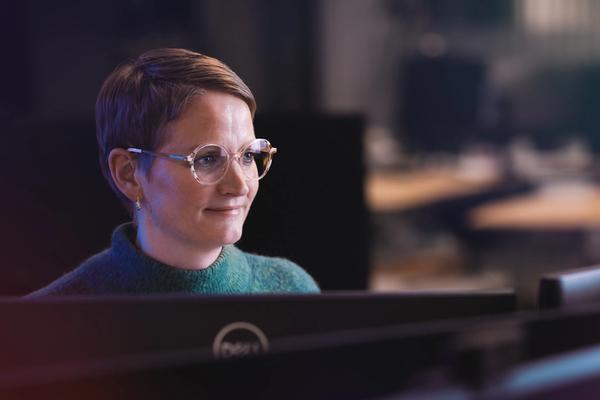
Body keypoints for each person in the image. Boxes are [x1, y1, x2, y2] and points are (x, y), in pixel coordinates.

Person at [28, 48, 319, 296]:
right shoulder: (46, 323)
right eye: (206, 158)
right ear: (129, 174)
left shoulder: (292, 289)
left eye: (247, 156)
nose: (239, 185)